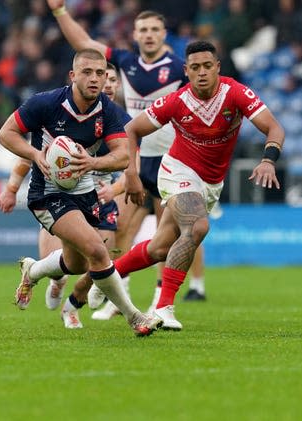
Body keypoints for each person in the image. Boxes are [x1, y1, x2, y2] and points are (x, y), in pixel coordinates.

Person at [47, 0, 210, 315]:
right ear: (134, 34)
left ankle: (160, 303)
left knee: (169, 234)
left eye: (154, 29)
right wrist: (59, 12)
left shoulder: (180, 68)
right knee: (119, 230)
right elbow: (84, 44)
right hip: (136, 160)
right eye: (143, 30)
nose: (149, 35)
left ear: (164, 34)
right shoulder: (124, 60)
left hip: (171, 161)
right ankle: (118, 297)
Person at [116, 40, 284, 329]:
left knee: (159, 248)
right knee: (197, 226)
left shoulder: (235, 93)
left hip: (210, 182)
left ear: (217, 67)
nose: (202, 72)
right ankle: (164, 308)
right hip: (177, 170)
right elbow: (131, 129)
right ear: (187, 71)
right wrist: (131, 172)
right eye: (195, 67)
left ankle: (103, 275)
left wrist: (268, 160)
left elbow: (274, 127)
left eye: (208, 66)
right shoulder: (176, 100)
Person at [0, 48, 162, 337]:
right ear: (73, 75)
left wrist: (93, 163)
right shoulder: (45, 104)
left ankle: (33, 271)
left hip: (87, 194)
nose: (95, 78)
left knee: (76, 264)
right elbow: (6, 134)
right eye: (87, 72)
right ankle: (135, 317)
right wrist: (36, 155)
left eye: (100, 73)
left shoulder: (110, 112)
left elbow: (124, 156)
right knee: (99, 252)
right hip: (48, 194)